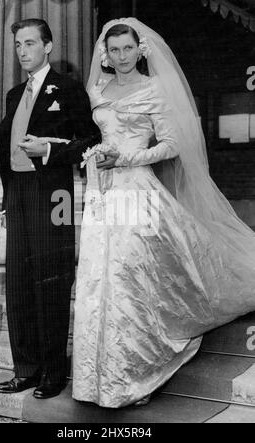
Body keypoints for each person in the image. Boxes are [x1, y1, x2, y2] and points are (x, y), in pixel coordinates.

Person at [70, 17, 255, 408]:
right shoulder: (97, 88)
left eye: (127, 48)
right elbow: (92, 135)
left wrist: (129, 156)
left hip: (137, 188)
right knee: (96, 278)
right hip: (103, 194)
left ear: (141, 50)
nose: (121, 56)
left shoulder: (154, 88)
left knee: (129, 275)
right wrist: (94, 154)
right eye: (114, 49)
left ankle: (134, 371)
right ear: (106, 53)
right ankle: (95, 379)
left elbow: (172, 144)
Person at [0, 18, 100, 399]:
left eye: (30, 43)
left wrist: (52, 150)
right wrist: (8, 199)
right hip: (19, 195)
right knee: (20, 284)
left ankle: (54, 373)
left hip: (52, 194)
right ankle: (26, 368)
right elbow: (4, 151)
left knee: (51, 281)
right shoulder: (12, 94)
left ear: (48, 46)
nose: (23, 50)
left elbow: (91, 140)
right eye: (18, 44)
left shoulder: (69, 89)